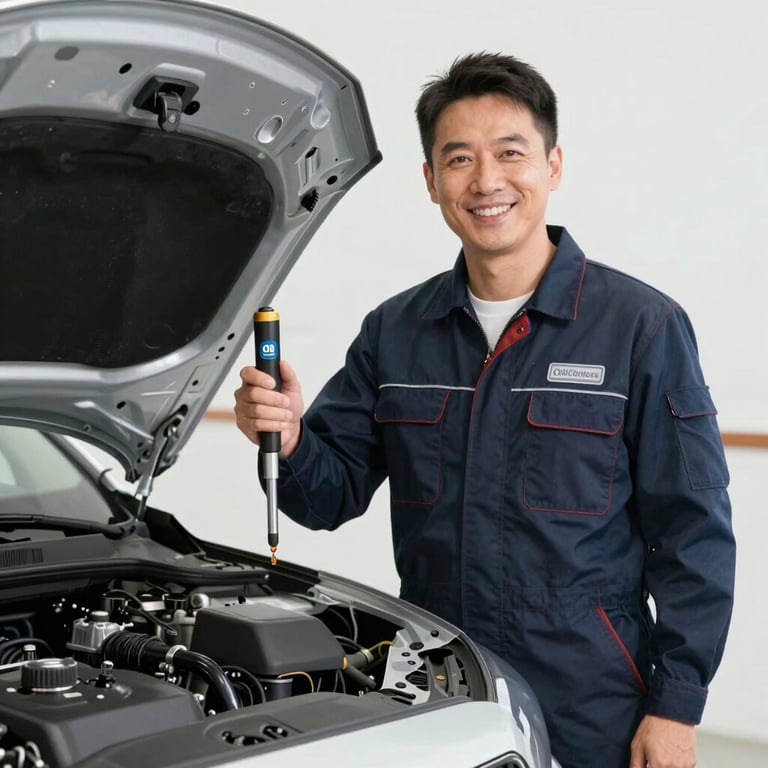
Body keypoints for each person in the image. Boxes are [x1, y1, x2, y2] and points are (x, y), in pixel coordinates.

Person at [234, 52, 735, 768]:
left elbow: (694, 533)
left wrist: (675, 708)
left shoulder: (641, 328)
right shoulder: (396, 331)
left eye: (510, 153)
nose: (487, 181)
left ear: (552, 166)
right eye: (459, 159)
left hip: (591, 702)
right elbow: (327, 495)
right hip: (441, 688)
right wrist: (284, 439)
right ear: (432, 181)